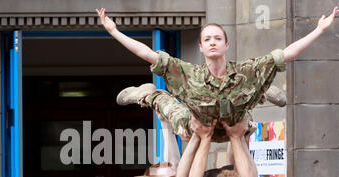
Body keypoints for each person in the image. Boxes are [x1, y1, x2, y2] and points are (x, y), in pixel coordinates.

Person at [95, 7, 339, 142]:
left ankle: (260, 91)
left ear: (226, 45)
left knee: (247, 105)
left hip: (235, 122)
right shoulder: (188, 74)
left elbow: (286, 54)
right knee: (168, 104)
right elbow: (148, 54)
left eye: (217, 39)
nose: (212, 43)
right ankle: (147, 93)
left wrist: (318, 30)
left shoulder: (246, 71)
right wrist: (115, 32)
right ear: (200, 47)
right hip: (197, 126)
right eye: (207, 39)